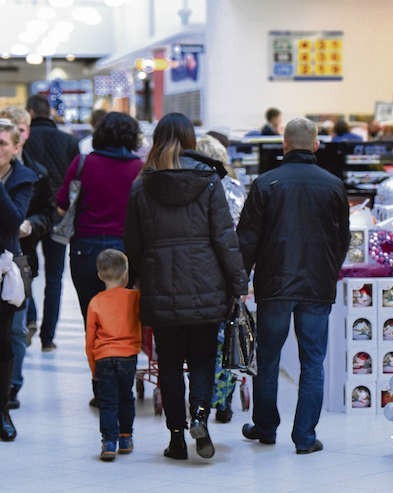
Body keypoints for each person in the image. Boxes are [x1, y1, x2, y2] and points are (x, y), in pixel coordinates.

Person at [125, 113, 248, 461]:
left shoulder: (142, 185)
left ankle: (176, 436)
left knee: (168, 364)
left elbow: (132, 243)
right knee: (202, 360)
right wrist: (238, 284)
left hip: (160, 282)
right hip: (206, 283)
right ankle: (201, 418)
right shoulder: (209, 181)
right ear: (190, 139)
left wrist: (139, 276)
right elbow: (225, 239)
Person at [237, 117, 350, 454]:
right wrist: (329, 270)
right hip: (317, 284)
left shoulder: (266, 183)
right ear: (315, 144)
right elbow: (341, 239)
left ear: (284, 144)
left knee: (268, 357)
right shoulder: (332, 185)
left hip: (274, 282)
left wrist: (241, 278)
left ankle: (265, 427)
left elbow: (247, 239)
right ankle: (304, 437)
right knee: (312, 361)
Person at [57, 111, 142, 407]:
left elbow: (61, 203)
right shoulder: (139, 169)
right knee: (127, 322)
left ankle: (101, 388)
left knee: (92, 321)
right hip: (126, 252)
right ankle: (123, 387)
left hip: (86, 250)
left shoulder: (83, 164)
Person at [0, 107, 55, 410]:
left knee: (14, 332)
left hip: (16, 260)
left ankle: (11, 389)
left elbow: (41, 213)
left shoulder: (32, 174)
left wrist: (32, 225)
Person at [196, 134, 246, 424]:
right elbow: (239, 235)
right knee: (226, 340)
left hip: (195, 275)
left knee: (200, 343)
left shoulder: (188, 186)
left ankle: (200, 400)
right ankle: (224, 400)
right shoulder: (233, 188)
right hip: (225, 275)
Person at [24, 94, 79, 352]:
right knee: (55, 277)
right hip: (59, 216)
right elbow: (76, 183)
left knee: (23, 270)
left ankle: (30, 317)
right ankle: (48, 338)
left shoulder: (23, 140)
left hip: (28, 216)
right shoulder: (69, 141)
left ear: (31, 112)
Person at [85, 249, 141, 461]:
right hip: (128, 356)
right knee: (126, 397)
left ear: (100, 275)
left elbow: (90, 339)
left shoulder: (95, 302)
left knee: (107, 401)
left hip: (103, 357)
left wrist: (94, 368)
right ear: (125, 273)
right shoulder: (134, 298)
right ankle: (125, 437)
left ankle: (109, 442)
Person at [0, 118, 36, 441]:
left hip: (5, 266)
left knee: (6, 340)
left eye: (2, 144)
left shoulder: (24, 178)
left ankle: (3, 410)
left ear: (14, 148)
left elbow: (13, 221)